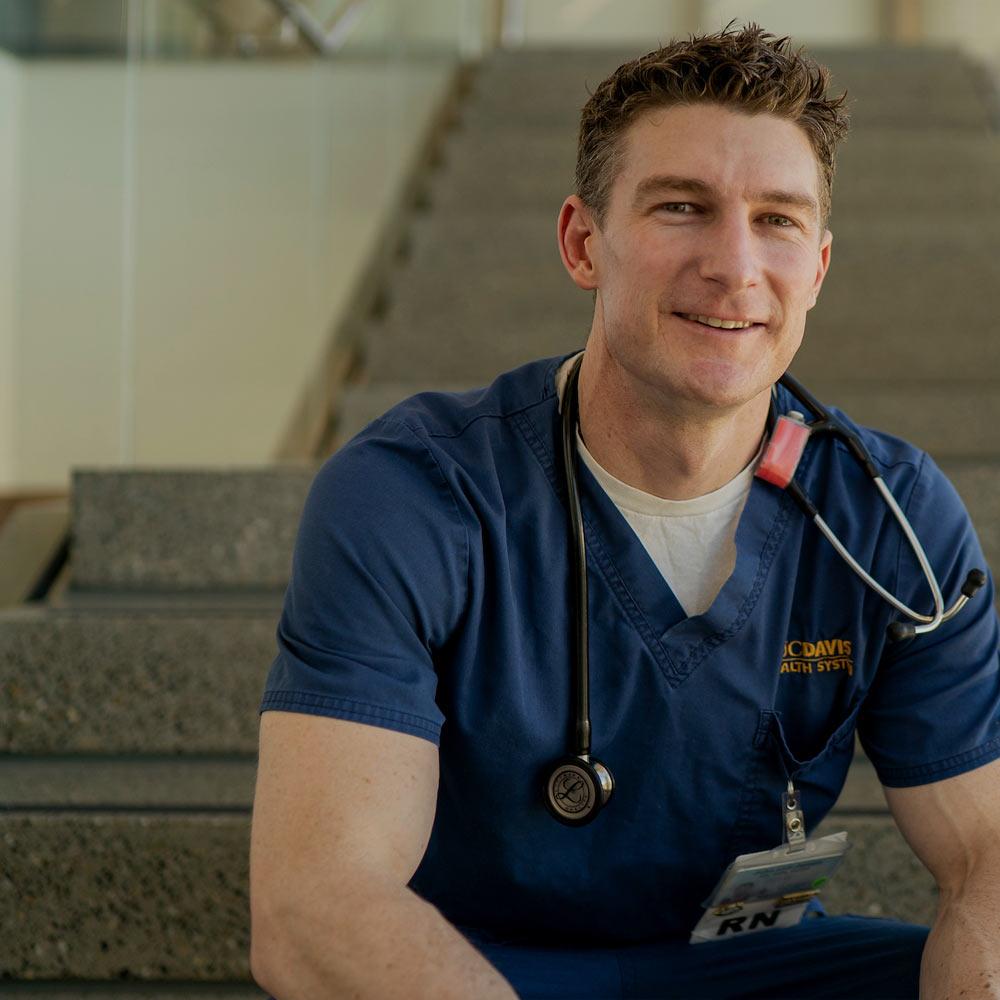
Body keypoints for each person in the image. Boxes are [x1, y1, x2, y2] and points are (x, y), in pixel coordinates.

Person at [248, 24, 1000, 1000]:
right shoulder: (415, 493)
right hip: (478, 968)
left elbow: (985, 850)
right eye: (681, 207)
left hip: (749, 966)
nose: (734, 264)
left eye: (776, 219)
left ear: (815, 266)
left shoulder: (889, 521)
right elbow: (315, 907)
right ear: (581, 242)